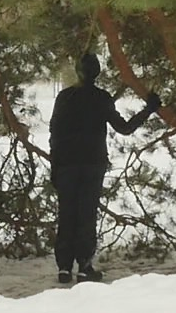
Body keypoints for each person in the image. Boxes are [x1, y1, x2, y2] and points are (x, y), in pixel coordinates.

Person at [48, 52, 161, 285]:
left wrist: (55, 166)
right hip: (92, 164)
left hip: (67, 164)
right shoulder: (101, 98)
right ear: (97, 73)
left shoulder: (64, 97)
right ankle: (84, 266)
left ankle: (64, 268)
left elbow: (54, 133)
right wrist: (149, 108)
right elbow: (125, 128)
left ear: (78, 72)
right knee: (86, 215)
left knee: (66, 215)